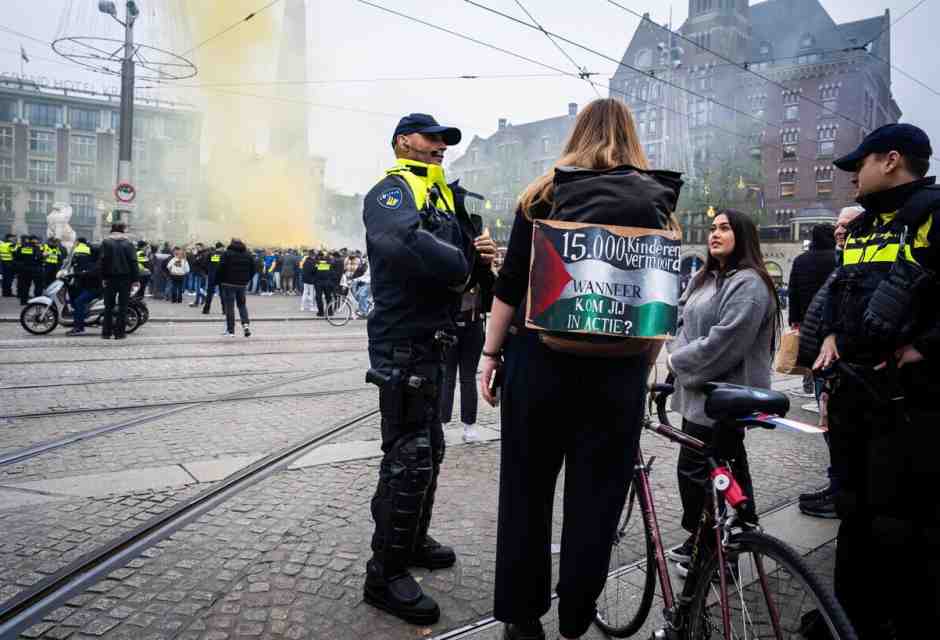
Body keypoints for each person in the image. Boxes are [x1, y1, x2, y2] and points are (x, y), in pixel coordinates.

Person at [479, 99, 681, 640]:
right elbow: (659, 303)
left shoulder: (543, 194)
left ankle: (524, 618)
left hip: (540, 365)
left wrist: (490, 355)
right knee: (597, 497)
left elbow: (511, 282)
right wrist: (640, 365)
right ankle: (576, 614)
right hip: (617, 376)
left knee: (525, 492)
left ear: (578, 134)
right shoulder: (659, 203)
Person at [362, 112, 495, 625]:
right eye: (431, 137)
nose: (441, 145)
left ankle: (412, 541)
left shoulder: (443, 196)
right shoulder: (391, 191)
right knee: (409, 455)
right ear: (403, 142)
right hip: (402, 342)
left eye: (445, 140)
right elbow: (401, 242)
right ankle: (384, 573)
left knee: (429, 447)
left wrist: (482, 256)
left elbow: (470, 267)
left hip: (436, 339)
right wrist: (464, 264)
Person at [812, 123, 940, 639]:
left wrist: (925, 347)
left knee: (902, 523)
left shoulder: (933, 215)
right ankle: (848, 619)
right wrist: (830, 335)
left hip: (911, 404)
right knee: (853, 511)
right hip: (854, 396)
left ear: (890, 160)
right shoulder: (863, 225)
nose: (852, 177)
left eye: (858, 165)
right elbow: (843, 290)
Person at [665, 209, 780, 576]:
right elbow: (679, 319)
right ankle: (723, 536)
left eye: (725, 228)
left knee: (698, 472)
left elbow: (726, 341)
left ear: (742, 235)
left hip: (724, 399)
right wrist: (680, 354)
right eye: (713, 228)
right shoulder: (705, 278)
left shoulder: (750, 284)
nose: (714, 233)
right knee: (724, 468)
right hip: (699, 395)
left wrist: (677, 361)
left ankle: (714, 552)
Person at [787, 224, 839, 517]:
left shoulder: (801, 260)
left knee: (816, 370)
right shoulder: (837, 258)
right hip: (831, 332)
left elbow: (793, 292)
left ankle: (815, 389)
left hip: (809, 329)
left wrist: (796, 320)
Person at [440, 261, 493, 443]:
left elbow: (491, 292)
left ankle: (467, 425)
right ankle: (446, 423)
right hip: (455, 324)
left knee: (463, 377)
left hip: (471, 323)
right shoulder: (453, 262)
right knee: (450, 377)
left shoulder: (477, 266)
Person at [98, 222, 139, 340]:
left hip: (109, 278)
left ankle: (106, 332)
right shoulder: (128, 244)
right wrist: (135, 279)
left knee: (108, 306)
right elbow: (133, 262)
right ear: (123, 231)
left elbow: (102, 261)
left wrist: (103, 278)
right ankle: (120, 333)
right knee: (123, 306)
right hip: (125, 279)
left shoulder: (106, 243)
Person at [216, 238, 253, 337]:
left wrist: (219, 280)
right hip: (242, 284)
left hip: (228, 283)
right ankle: (245, 325)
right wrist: (247, 279)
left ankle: (231, 330)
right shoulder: (247, 254)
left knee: (230, 307)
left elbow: (220, 268)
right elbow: (253, 268)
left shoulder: (226, 254)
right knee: (242, 305)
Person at [66, 237, 100, 337]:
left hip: (95, 289)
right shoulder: (91, 261)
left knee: (79, 301)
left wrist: (77, 274)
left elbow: (89, 273)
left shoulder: (97, 264)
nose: (89, 252)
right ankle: (81, 317)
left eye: (91, 251)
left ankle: (79, 328)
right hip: (88, 286)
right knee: (74, 298)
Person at [14, 235, 43, 305]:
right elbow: (39, 258)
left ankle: (23, 301)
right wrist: (43, 256)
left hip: (24, 269)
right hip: (35, 269)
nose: (37, 241)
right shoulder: (36, 248)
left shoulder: (21, 248)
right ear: (33, 240)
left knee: (25, 286)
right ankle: (37, 300)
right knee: (38, 285)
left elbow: (16, 257)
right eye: (36, 240)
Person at [202, 242, 224, 313]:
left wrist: (208, 272)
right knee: (222, 294)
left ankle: (206, 309)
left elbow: (205, 264)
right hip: (221, 277)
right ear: (221, 247)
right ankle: (224, 310)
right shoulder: (223, 254)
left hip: (212, 276)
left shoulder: (212, 254)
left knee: (209, 293)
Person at [1, 232, 17, 297]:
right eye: (13, 237)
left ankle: (4, 292)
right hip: (9, 263)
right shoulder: (10, 245)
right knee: (9, 279)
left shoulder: (2, 244)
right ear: (9, 238)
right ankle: (8, 293)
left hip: (3, 263)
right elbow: (14, 253)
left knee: (5, 278)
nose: (14, 238)